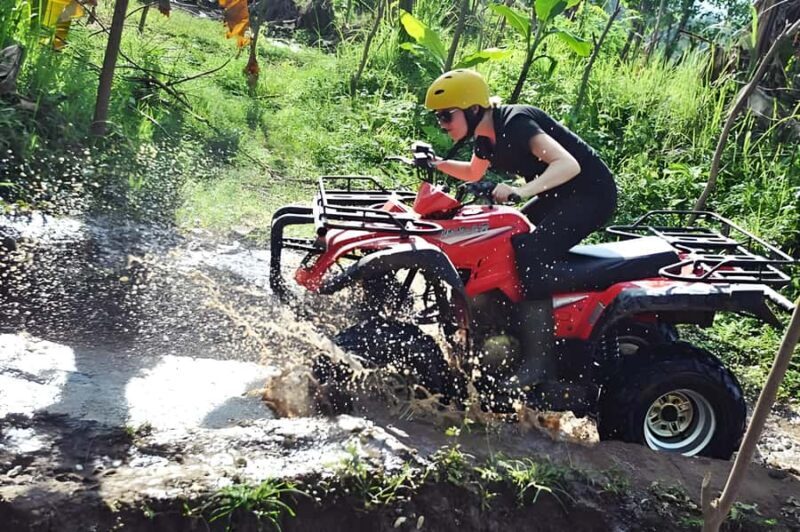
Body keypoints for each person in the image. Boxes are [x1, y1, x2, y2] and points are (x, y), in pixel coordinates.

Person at [424, 68, 618, 391]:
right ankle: (504, 328)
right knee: (506, 238)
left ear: (474, 110)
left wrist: (520, 191)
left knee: (530, 253)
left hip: (591, 195)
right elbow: (473, 172)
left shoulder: (515, 124)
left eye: (446, 116)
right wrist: (436, 163)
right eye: (438, 117)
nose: (442, 124)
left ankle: (539, 364)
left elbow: (568, 164)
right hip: (560, 194)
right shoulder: (485, 136)